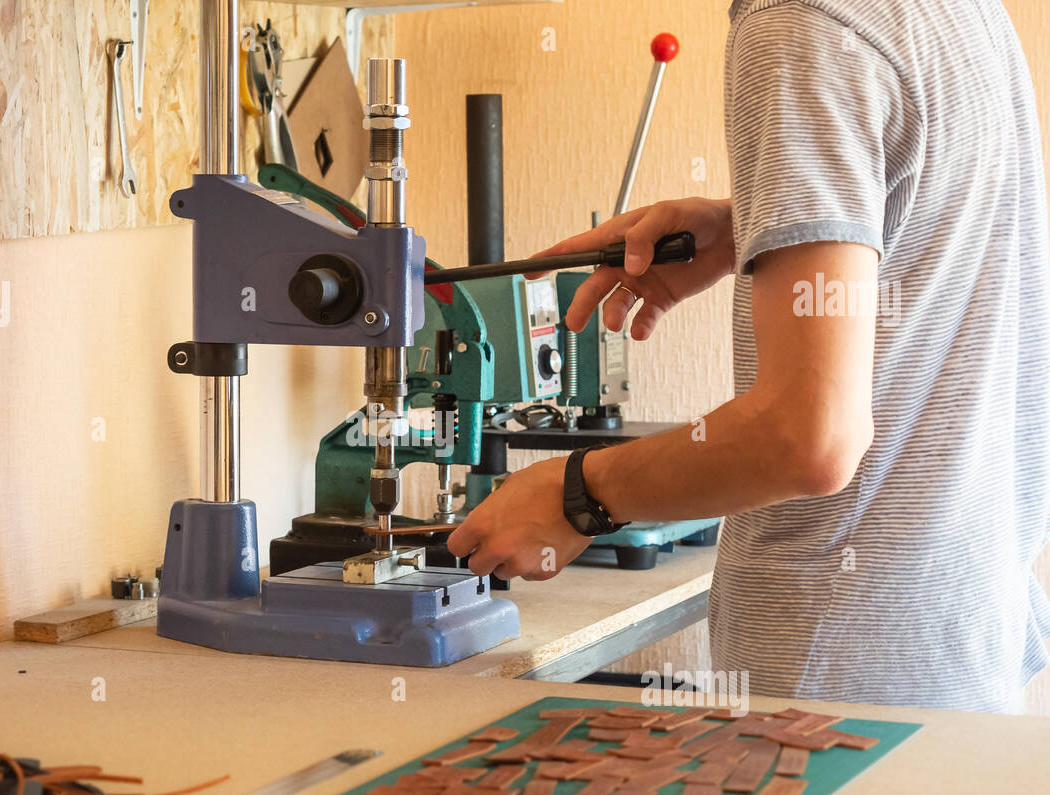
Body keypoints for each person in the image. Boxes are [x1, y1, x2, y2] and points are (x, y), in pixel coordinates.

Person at [447, 0, 1050, 713]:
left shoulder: (797, 20)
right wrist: (753, 224)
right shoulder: (962, 12)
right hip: (960, 652)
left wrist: (576, 494)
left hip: (837, 688)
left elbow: (808, 438)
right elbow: (937, 233)